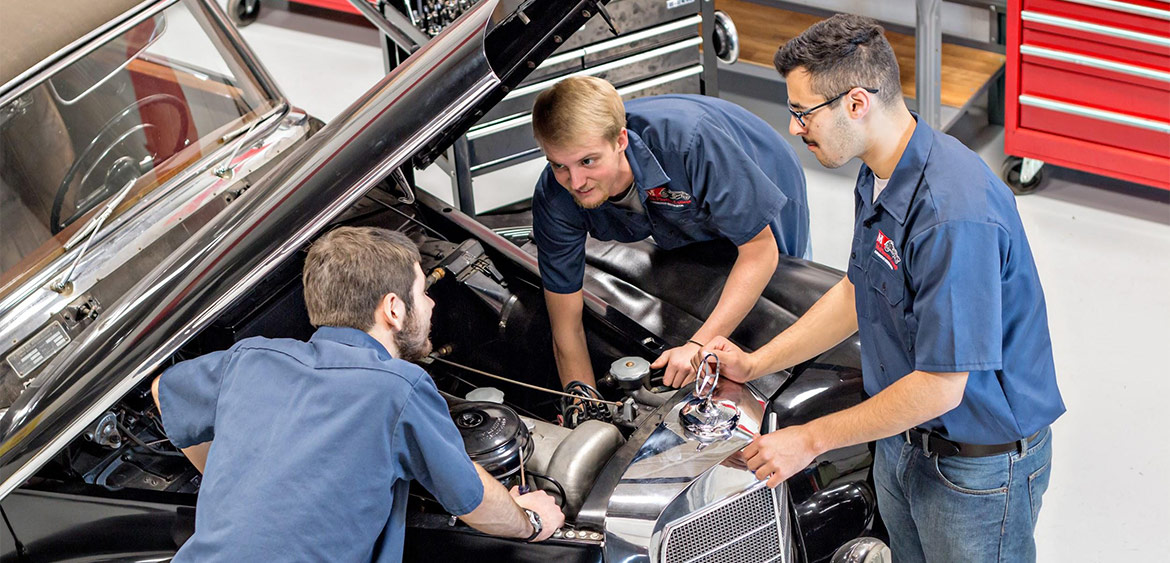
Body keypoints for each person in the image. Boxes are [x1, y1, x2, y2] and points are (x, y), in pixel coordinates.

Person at [699, 15, 1065, 562]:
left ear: (855, 103)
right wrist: (755, 364)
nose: (794, 128)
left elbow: (943, 387)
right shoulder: (879, 172)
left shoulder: (952, 214)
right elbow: (857, 292)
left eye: (802, 112)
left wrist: (811, 439)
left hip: (976, 470)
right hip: (902, 439)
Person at [151, 226, 564, 562]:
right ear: (393, 309)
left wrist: (229, 474)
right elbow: (472, 500)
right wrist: (530, 519)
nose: (431, 305)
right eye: (422, 293)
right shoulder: (398, 387)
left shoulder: (250, 357)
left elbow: (162, 388)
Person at [531, 76, 811, 389]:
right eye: (559, 165)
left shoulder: (690, 144)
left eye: (588, 161)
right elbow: (566, 328)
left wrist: (697, 346)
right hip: (683, 202)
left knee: (780, 295)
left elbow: (760, 251)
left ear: (620, 140)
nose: (577, 181)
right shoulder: (556, 196)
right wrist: (583, 403)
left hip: (755, 168)